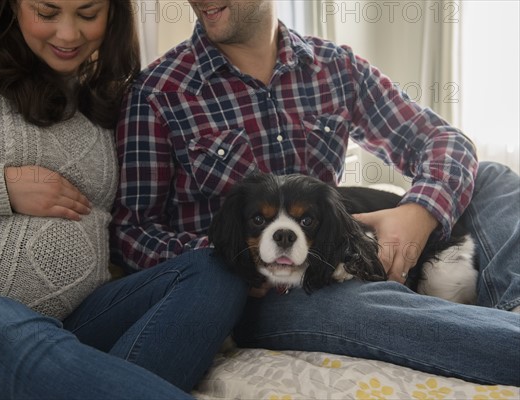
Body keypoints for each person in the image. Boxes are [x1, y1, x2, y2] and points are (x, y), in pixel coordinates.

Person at [110, 0, 520, 387]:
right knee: (367, 308)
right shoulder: (158, 93)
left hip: (331, 257)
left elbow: (444, 141)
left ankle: (511, 304)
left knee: (490, 176)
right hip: (263, 297)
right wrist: (232, 258)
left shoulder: (334, 66)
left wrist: (419, 211)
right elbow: (132, 232)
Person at [0, 1, 248, 398]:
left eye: (88, 14)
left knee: (216, 269)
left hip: (69, 327)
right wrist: (0, 187)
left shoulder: (107, 103)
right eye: (47, 13)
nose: (68, 34)